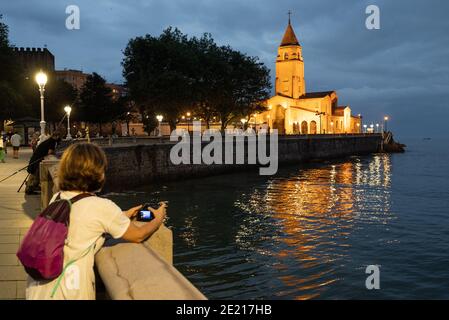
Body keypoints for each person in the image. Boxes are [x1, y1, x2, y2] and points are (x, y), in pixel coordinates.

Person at [26, 143, 168, 300]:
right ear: (97, 173)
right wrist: (159, 217)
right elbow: (138, 235)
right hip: (69, 289)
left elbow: (82, 221)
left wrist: (123, 215)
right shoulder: (101, 207)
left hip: (38, 288)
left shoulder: (58, 198)